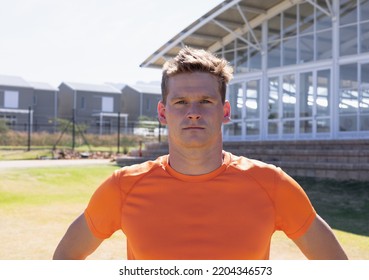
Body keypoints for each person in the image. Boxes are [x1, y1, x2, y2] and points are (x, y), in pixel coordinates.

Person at [53, 47, 348, 260]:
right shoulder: (123, 187)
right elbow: (66, 257)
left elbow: (335, 265)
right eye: (180, 102)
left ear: (225, 111)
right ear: (162, 112)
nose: (193, 113)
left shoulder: (272, 184)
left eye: (206, 101)